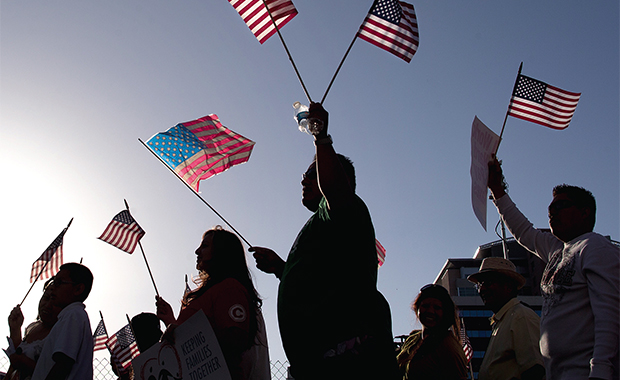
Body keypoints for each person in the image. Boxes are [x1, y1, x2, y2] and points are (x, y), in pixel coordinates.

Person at [251, 103, 398, 380]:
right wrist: (280, 268)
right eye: (305, 176)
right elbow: (319, 281)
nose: (303, 181)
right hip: (316, 363)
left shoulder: (345, 208)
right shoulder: (319, 224)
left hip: (348, 364)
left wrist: (320, 136)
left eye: (312, 173)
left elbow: (336, 191)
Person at [488, 156, 619, 380]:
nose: (551, 212)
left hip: (585, 373)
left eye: (560, 205)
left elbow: (610, 313)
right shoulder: (556, 250)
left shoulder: (595, 247)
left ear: (585, 212)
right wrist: (497, 189)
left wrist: (601, 370)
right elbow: (524, 232)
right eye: (550, 207)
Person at [156, 226, 269, 380]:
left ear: (221, 251)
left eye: (205, 246)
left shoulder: (230, 288)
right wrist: (170, 321)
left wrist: (183, 333)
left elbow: (233, 341)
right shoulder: (210, 293)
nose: (197, 251)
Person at [467, 257, 545, 380]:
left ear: (508, 286)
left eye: (488, 283)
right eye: (479, 285)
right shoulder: (503, 320)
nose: (482, 289)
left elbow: (535, 369)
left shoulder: (521, 317)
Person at [31, 262, 94, 380]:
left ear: (78, 289)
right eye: (54, 281)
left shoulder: (73, 315)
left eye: (59, 282)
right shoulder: (69, 316)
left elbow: (63, 363)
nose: (53, 287)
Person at [396, 284, 468, 380]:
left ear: (445, 312)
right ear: (417, 308)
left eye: (437, 308)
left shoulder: (448, 346)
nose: (430, 311)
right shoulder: (413, 338)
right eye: (425, 306)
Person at [5, 281, 61, 380]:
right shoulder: (34, 327)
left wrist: (23, 361)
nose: (48, 305)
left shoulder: (61, 333)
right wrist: (15, 329)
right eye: (46, 298)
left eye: (55, 302)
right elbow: (16, 362)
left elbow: (55, 373)